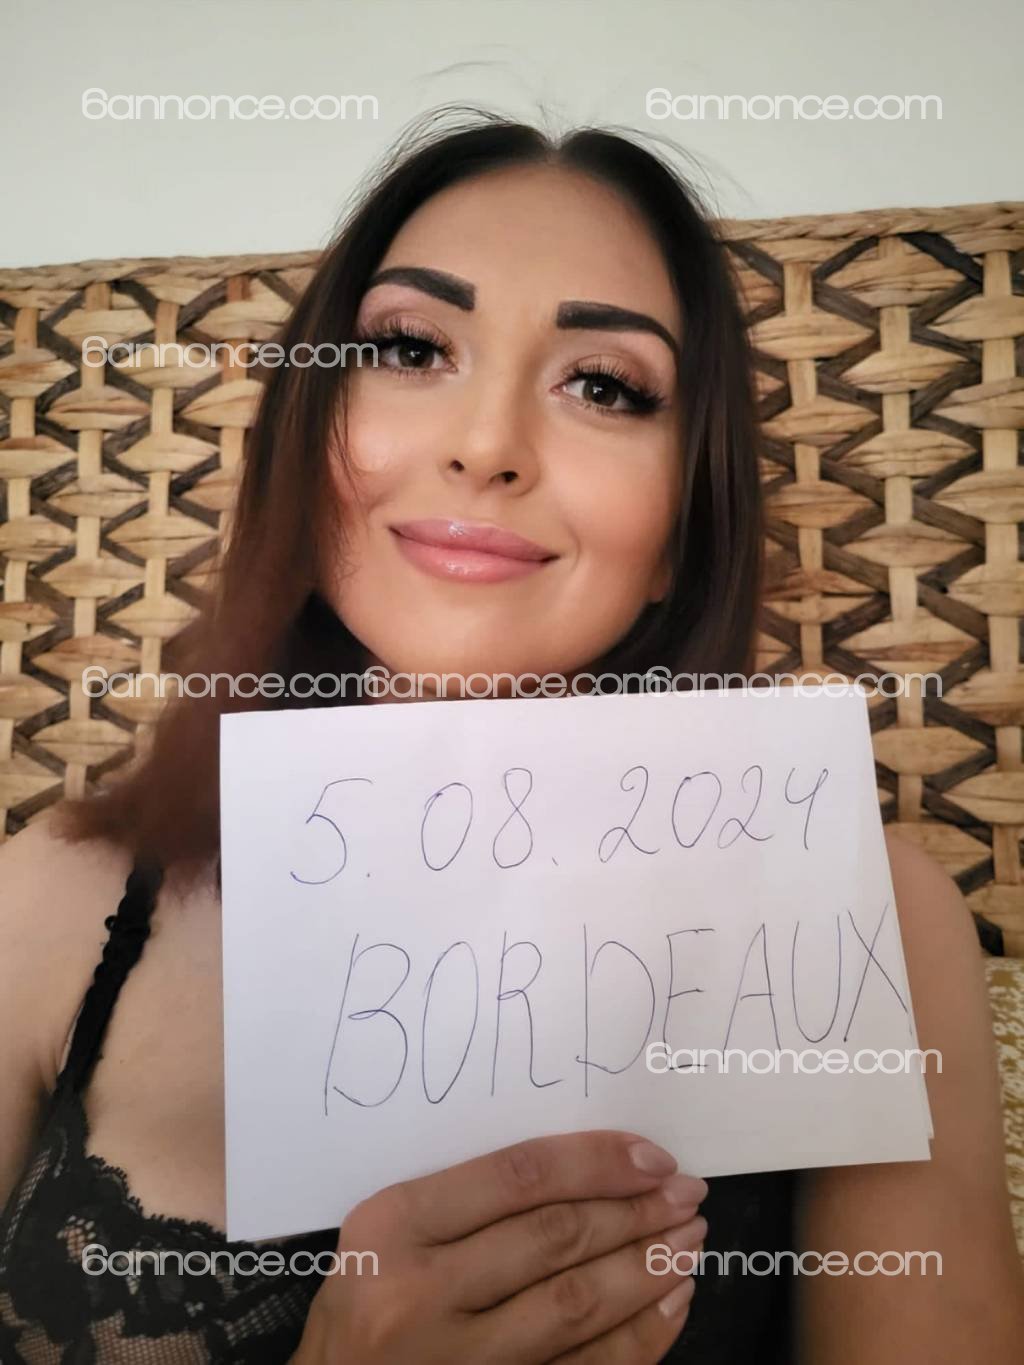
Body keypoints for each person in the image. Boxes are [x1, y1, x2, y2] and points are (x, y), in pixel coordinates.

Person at [1, 111, 1022, 1365]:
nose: (485, 447)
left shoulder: (876, 920)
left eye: (604, 385)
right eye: (409, 347)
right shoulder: (46, 898)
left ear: (682, 529)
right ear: (304, 436)